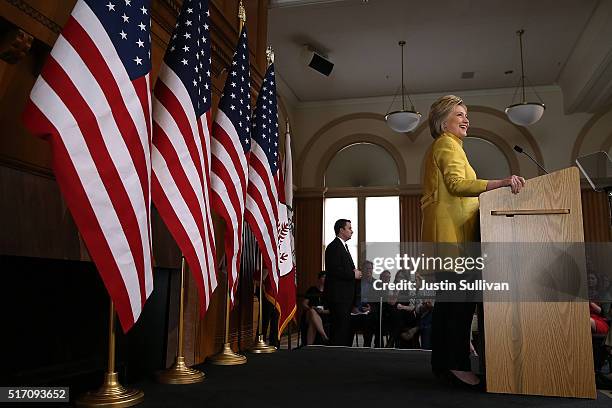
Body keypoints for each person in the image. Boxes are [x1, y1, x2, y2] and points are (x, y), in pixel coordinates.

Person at [421, 95, 525, 387]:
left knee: (451, 306)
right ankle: (455, 366)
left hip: (453, 239)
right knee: (458, 308)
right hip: (455, 241)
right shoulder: (446, 144)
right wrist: (501, 183)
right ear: (443, 121)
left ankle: (445, 366)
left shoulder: (449, 146)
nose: (466, 120)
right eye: (459, 115)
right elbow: (457, 185)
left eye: (466, 115)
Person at [324, 219, 362, 346]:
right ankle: (336, 359)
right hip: (338, 297)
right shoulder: (333, 247)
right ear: (341, 230)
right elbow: (335, 270)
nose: (352, 231)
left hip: (346, 297)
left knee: (344, 329)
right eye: (349, 228)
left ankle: (342, 357)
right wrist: (353, 274)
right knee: (339, 331)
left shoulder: (343, 247)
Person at [302, 271, 330, 345]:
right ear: (319, 279)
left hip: (323, 315)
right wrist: (311, 308)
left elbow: (332, 309)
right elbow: (304, 304)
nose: (325, 279)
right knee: (312, 311)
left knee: (312, 322)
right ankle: (324, 335)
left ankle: (309, 346)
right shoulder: (312, 289)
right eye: (323, 277)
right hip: (309, 313)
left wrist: (323, 311)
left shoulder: (329, 292)